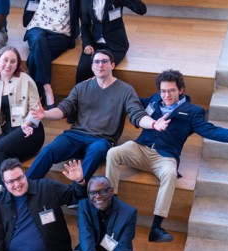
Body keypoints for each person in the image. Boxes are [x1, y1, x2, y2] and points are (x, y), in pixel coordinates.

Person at [106, 69, 228, 242]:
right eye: (163, 91)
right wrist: (109, 83)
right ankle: (111, 209)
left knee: (170, 174)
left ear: (181, 90)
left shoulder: (193, 111)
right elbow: (132, 100)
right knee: (113, 153)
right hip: (140, 148)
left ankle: (156, 228)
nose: (166, 95)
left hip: (164, 157)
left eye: (171, 90)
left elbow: (209, 130)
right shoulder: (154, 100)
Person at [26, 49, 168, 182]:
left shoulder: (126, 90)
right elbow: (64, 109)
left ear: (112, 65)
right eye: (96, 62)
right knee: (48, 150)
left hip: (102, 139)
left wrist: (154, 124)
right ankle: (24, 186)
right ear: (92, 66)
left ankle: (76, 194)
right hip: (76, 134)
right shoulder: (81, 87)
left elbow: (137, 114)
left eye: (104, 61)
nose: (100, 65)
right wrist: (44, 113)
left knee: (96, 151)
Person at [16, 0, 88, 107]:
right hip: (37, 27)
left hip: (62, 34)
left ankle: (34, 94)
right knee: (39, 40)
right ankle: (47, 88)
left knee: (36, 53)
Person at [0, 46, 44, 197]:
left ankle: (3, 198)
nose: (8, 65)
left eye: (13, 61)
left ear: (17, 64)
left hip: (30, 130)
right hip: (9, 131)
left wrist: (26, 124)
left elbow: (36, 110)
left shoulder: (25, 80)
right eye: (5, 60)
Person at [76, 0, 146, 83]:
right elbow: (85, 25)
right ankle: (80, 101)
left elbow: (141, 10)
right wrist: (86, 43)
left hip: (116, 44)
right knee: (82, 70)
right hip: (94, 44)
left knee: (102, 70)